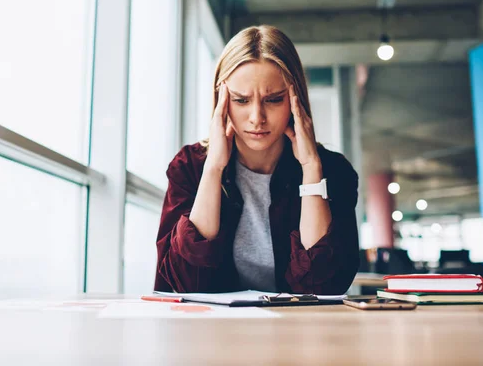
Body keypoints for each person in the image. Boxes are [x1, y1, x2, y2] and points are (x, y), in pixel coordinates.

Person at [154, 25, 359, 294]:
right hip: (211, 333)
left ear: (295, 98)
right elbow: (185, 284)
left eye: (273, 99)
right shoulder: (189, 167)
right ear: (221, 100)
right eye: (241, 100)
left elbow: (324, 285)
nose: (256, 117)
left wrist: (311, 170)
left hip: (300, 332)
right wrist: (213, 168)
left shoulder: (333, 171)